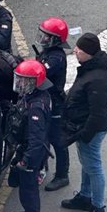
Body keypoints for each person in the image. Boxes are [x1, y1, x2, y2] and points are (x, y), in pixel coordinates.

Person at [60, 33, 107, 212]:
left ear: (88, 53)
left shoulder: (96, 78)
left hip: (89, 129)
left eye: (79, 49)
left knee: (93, 166)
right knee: (87, 163)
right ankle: (85, 195)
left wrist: (84, 135)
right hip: (85, 127)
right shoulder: (92, 70)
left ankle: (97, 207)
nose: (75, 50)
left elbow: (97, 113)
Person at [5, 60, 52, 212]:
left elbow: (36, 139)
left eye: (25, 81)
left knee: (29, 190)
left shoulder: (36, 108)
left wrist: (26, 161)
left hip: (31, 152)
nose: (21, 85)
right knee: (24, 188)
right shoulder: (35, 97)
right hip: (27, 148)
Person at [35, 17, 71, 191]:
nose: (43, 39)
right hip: (46, 99)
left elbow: (41, 71)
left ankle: (62, 175)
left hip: (54, 102)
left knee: (57, 139)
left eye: (47, 36)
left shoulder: (56, 58)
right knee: (44, 135)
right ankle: (43, 165)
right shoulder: (48, 53)